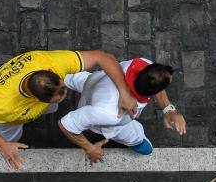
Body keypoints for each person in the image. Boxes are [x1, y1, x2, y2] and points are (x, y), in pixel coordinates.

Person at [0, 50, 138, 170]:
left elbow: (103, 57)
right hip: (6, 118)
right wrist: (1, 144)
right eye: (60, 95)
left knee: (52, 108)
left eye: (63, 87)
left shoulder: (49, 62)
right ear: (34, 99)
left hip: (26, 108)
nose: (66, 93)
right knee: (7, 135)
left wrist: (124, 92)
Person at [58, 58, 186, 162]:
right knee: (132, 135)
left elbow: (156, 79)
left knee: (72, 78)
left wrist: (169, 109)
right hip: (102, 119)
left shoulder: (141, 65)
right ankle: (137, 141)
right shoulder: (111, 114)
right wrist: (89, 148)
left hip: (93, 82)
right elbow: (66, 125)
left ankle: (57, 77)